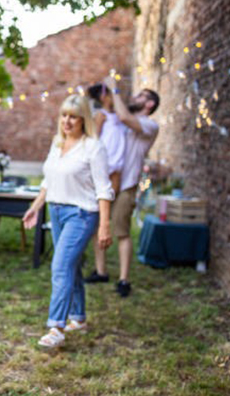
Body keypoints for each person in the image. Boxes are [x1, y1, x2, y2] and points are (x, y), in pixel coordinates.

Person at [22, 94, 114, 348]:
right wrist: (35, 208)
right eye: (64, 115)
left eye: (73, 116)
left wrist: (104, 226)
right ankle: (79, 318)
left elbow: (104, 190)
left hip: (81, 215)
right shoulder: (57, 144)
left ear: (84, 119)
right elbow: (48, 182)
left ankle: (56, 327)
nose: (67, 121)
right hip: (56, 210)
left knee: (60, 266)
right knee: (70, 266)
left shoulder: (93, 147)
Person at [84, 77, 160, 298]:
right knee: (100, 226)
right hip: (106, 181)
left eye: (141, 96)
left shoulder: (149, 125)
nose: (134, 98)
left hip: (127, 185)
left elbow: (125, 116)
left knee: (121, 232)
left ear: (150, 104)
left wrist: (114, 87)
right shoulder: (118, 120)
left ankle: (124, 279)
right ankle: (101, 271)